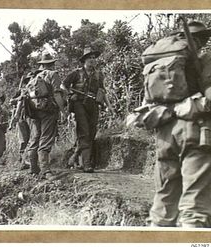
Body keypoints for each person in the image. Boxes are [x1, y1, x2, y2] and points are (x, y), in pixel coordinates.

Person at [131, 21, 211, 228]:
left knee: (164, 200)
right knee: (195, 206)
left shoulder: (160, 63)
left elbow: (148, 105)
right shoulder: (205, 60)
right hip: (194, 133)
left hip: (164, 133)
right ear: (202, 40)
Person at [61, 47, 113, 173]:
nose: (92, 60)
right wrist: (69, 95)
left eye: (94, 58)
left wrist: (109, 106)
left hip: (93, 105)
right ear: (84, 60)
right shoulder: (76, 73)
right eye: (89, 58)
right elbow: (63, 85)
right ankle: (86, 164)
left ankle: (76, 156)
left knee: (92, 131)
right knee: (84, 131)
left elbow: (102, 91)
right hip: (79, 104)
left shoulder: (98, 74)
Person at [26, 52, 66, 180]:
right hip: (49, 110)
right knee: (46, 138)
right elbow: (57, 95)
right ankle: (45, 171)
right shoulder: (53, 75)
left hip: (35, 111)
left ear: (42, 65)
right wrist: (63, 111)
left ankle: (33, 168)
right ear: (52, 64)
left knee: (35, 138)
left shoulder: (34, 78)